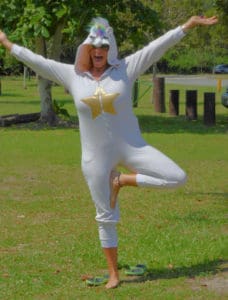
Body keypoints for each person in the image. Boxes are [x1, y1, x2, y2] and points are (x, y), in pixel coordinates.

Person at [0, 15, 218, 289]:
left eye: (104, 45)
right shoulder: (72, 74)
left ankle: (123, 181)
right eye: (94, 46)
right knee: (105, 216)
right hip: (95, 157)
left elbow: (157, 46)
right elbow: (37, 62)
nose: (99, 50)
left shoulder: (125, 68)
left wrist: (186, 27)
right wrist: (7, 44)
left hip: (133, 147)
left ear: (110, 48)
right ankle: (114, 273)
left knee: (177, 177)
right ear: (87, 50)